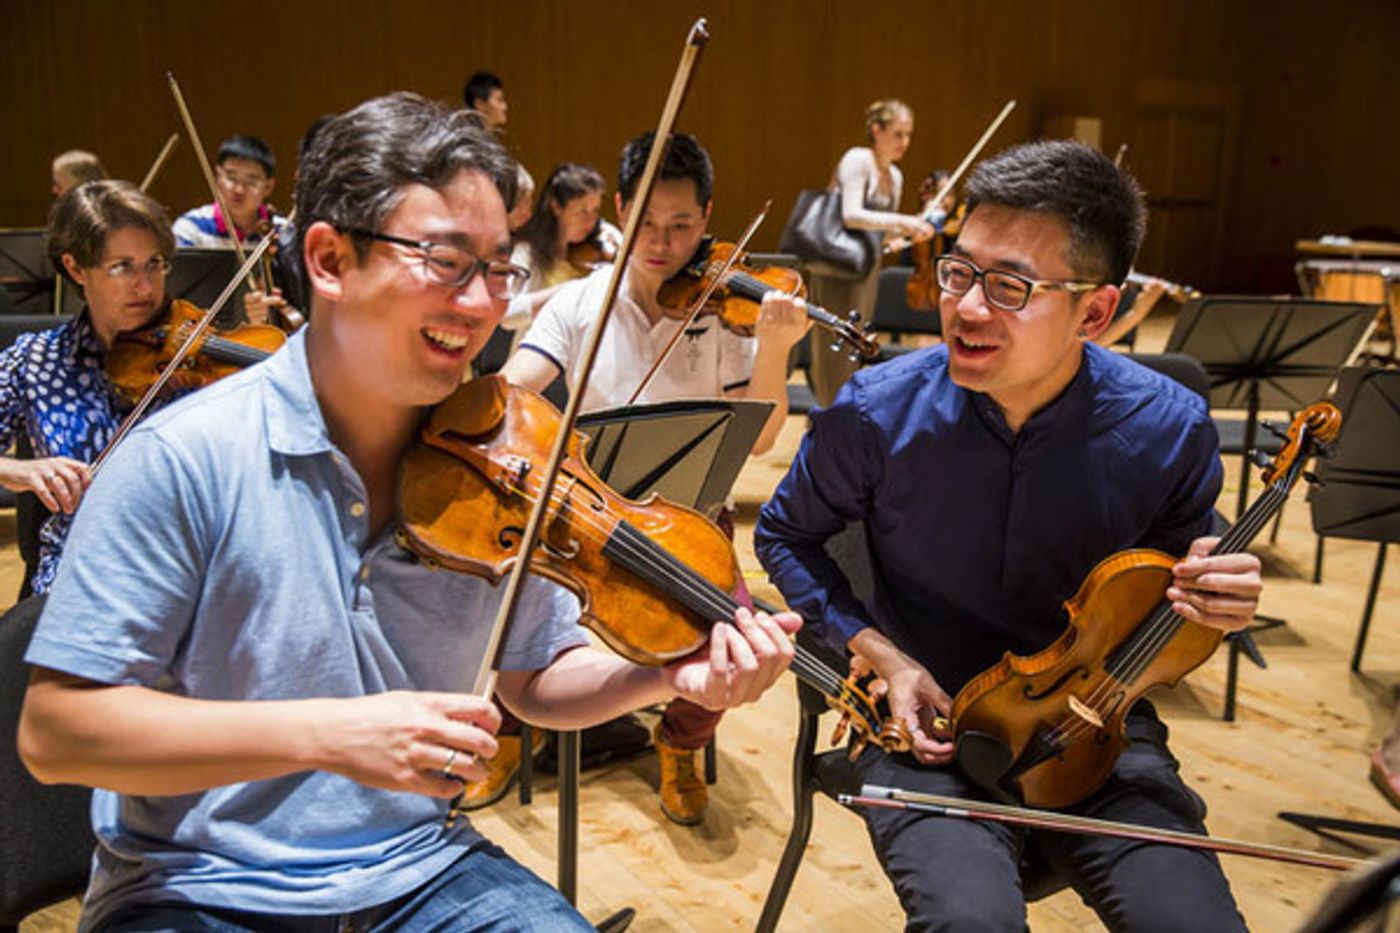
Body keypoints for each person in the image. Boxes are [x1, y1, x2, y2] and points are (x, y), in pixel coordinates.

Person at [18, 92, 798, 931]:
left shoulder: (502, 459)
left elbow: (533, 680)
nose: (482, 304)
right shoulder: (180, 458)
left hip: (420, 867)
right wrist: (331, 734)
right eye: (446, 260)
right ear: (328, 259)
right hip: (200, 884)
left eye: (499, 267)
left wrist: (666, 675)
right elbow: (57, 731)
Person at [754, 140, 1263, 931]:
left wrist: (1212, 601)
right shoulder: (872, 411)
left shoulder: (1169, 429)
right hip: (929, 729)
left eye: (1010, 286)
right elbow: (785, 535)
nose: (966, 307)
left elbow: (1171, 589)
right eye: (959, 272)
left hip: (1097, 729)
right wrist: (880, 654)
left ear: (1095, 310)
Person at [500, 131, 810, 825]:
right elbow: (513, 392)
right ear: (619, 207)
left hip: (692, 523)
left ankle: (680, 740)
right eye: (644, 222)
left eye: (681, 226)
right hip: (588, 520)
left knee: (732, 636)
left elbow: (760, 436)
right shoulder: (579, 303)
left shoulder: (728, 317)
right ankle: (507, 732)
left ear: (707, 218)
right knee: (499, 597)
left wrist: (777, 351)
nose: (661, 243)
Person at [0, 179, 185, 595]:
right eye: (123, 266)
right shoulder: (36, 362)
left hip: (188, 583)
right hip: (79, 586)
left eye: (154, 263)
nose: (145, 285)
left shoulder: (195, 361)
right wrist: (19, 471)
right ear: (75, 268)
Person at [805, 100, 933, 407]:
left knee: (853, 347)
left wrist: (911, 232)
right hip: (837, 268)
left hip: (866, 270)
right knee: (832, 349)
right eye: (898, 134)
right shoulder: (857, 159)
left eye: (908, 135)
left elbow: (883, 234)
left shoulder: (896, 175)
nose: (904, 142)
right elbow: (851, 216)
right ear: (877, 130)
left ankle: (844, 417)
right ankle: (827, 417)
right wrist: (904, 221)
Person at [172, 134, 289, 327]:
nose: (239, 190)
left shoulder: (282, 232)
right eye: (231, 177)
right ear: (217, 176)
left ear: (268, 186)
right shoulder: (190, 228)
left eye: (252, 181)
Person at [501, 162, 622, 336]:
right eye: (582, 212)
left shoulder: (603, 238)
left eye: (595, 211)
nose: (591, 221)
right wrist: (570, 289)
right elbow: (508, 315)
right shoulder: (528, 253)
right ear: (556, 207)